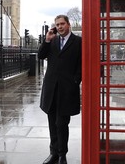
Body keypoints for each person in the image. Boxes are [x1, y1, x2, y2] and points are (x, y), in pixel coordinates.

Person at [38, 15, 82, 164]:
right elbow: (40, 56)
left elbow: (81, 64)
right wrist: (47, 40)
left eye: (62, 24)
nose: (60, 26)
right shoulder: (52, 40)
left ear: (68, 24)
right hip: (51, 88)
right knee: (52, 122)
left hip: (67, 89)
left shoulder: (78, 42)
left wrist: (76, 80)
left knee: (61, 123)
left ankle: (62, 154)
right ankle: (54, 153)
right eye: (57, 24)